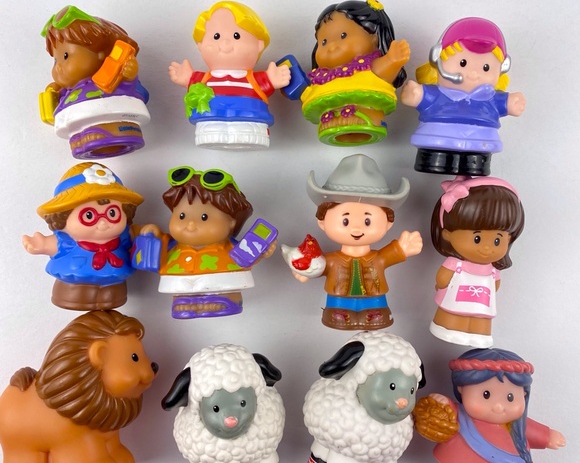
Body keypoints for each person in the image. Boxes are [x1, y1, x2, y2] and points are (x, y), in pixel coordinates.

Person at [284, 154, 422, 330]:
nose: (356, 229)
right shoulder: (332, 260)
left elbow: (387, 256)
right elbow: (321, 266)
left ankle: (374, 311)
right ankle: (339, 311)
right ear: (322, 221)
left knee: (376, 311)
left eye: (367, 221)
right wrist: (307, 271)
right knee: (338, 312)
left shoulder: (377, 258)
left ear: (388, 224)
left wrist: (402, 248)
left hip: (375, 297)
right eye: (345, 221)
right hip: (338, 298)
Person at [413, 348, 566, 463]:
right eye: (486, 395)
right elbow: (446, 414)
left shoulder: (516, 427)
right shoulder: (461, 416)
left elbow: (531, 430)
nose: (498, 406)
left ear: (524, 395)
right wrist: (442, 403)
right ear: (461, 388)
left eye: (510, 397)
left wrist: (548, 436)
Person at [138, 166, 276, 319]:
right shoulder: (174, 247)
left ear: (231, 221)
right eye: (182, 216)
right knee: (180, 293)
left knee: (225, 289)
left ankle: (226, 300)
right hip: (181, 280)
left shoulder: (230, 248)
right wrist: (154, 236)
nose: (190, 224)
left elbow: (247, 256)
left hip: (222, 280)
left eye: (204, 217)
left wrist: (262, 252)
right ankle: (183, 302)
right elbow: (157, 254)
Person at [400, 17, 526, 175]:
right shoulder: (436, 93)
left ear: (502, 68)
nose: (473, 74)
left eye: (486, 68)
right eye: (463, 63)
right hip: (438, 138)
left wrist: (511, 103)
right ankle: (434, 162)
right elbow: (421, 97)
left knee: (474, 165)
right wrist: (416, 94)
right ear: (437, 58)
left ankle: (473, 167)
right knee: (435, 158)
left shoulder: (491, 98)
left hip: (480, 143)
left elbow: (504, 104)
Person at [169, 0, 290, 149]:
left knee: (248, 133)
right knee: (211, 132)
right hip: (210, 118)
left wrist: (273, 79)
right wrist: (187, 78)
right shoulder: (203, 79)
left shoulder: (254, 79)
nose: (225, 44)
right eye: (216, 36)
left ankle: (248, 136)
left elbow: (267, 83)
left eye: (236, 36)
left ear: (259, 45)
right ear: (201, 46)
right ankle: (212, 134)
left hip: (249, 118)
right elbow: (193, 84)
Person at [22, 163, 143, 310]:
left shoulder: (123, 236)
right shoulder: (67, 240)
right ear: (62, 217)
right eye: (89, 215)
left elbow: (138, 235)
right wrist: (41, 245)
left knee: (112, 298)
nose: (103, 223)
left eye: (112, 213)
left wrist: (147, 232)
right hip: (74, 282)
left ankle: (111, 299)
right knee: (76, 296)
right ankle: (74, 299)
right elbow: (54, 244)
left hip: (115, 281)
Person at [41, 5, 150, 158]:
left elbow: (128, 85)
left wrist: (128, 73)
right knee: (79, 140)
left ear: (100, 53)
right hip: (76, 121)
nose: (58, 67)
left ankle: (116, 134)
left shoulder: (108, 77)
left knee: (105, 127)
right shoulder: (70, 90)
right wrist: (55, 94)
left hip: (112, 111)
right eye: (55, 60)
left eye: (66, 56)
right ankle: (79, 140)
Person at [430, 175, 525, 346]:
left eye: (497, 240)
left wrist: (441, 284)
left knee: (481, 317)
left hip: (481, 303)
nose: (487, 248)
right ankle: (448, 328)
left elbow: (442, 279)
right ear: (448, 234)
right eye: (477, 238)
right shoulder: (456, 263)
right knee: (454, 312)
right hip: (463, 301)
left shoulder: (492, 269)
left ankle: (479, 334)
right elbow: (443, 278)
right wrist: (441, 283)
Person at [300, 0, 409, 145]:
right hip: (328, 117)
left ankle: (366, 120)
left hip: (367, 109)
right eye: (323, 42)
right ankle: (332, 123)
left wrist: (392, 60)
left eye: (343, 36)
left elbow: (382, 73)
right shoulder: (320, 77)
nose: (331, 47)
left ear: (373, 37)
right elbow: (306, 92)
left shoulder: (366, 66)